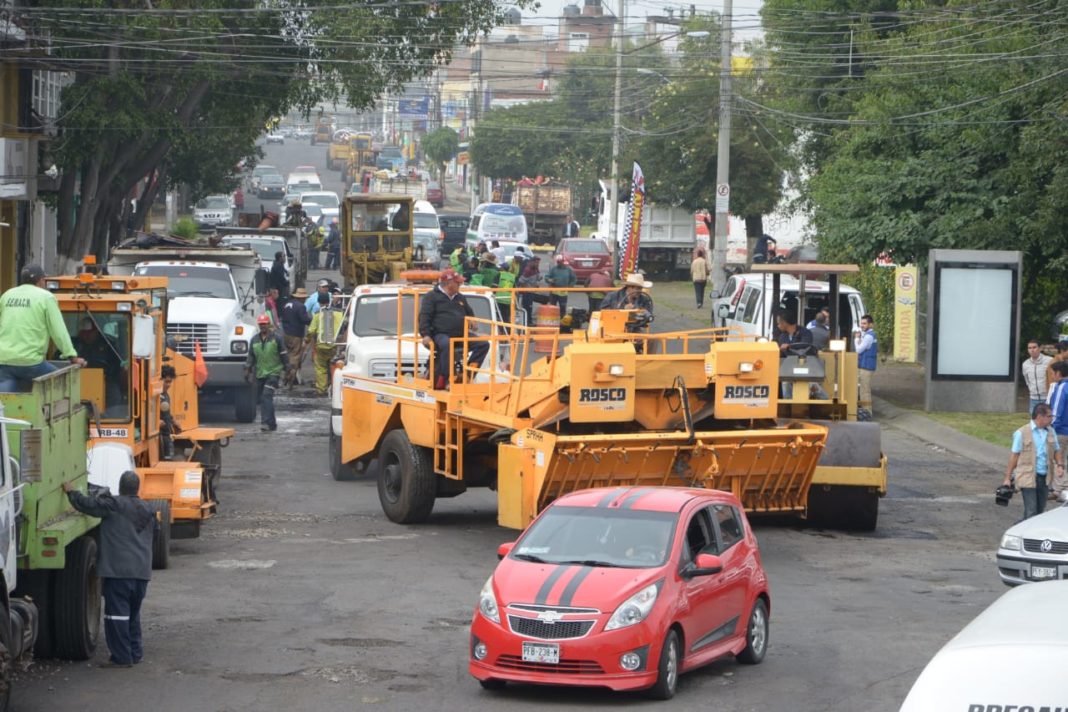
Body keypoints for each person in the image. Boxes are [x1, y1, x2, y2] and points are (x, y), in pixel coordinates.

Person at [61, 471, 156, 668]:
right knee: (132, 614)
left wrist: (71, 493)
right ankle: (135, 653)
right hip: (141, 573)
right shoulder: (149, 510)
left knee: (117, 616)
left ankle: (122, 658)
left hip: (119, 572)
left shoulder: (114, 505)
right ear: (136, 488)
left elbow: (88, 505)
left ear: (120, 487)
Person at [0, 263, 86, 391]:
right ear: (40, 281)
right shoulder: (46, 297)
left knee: (6, 400)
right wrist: (72, 356)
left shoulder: (7, 295)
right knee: (64, 384)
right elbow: (58, 332)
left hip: (4, 362)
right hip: (32, 364)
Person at [418, 269, 490, 390]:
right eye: (458, 283)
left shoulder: (460, 297)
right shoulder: (431, 297)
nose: (460, 285)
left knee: (483, 344)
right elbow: (424, 316)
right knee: (447, 344)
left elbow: (469, 312)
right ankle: (448, 379)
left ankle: (466, 375)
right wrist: (425, 335)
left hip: (460, 334)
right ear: (449, 283)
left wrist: (472, 319)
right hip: (440, 334)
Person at [1002, 403, 1063, 521]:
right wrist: (1007, 478)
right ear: (1040, 417)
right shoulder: (1021, 433)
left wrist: (1060, 465)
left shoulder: (1051, 431)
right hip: (1028, 477)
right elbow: (1014, 456)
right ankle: (1018, 536)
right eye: (1050, 416)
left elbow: (1056, 450)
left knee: (1039, 513)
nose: (1052, 419)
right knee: (1031, 511)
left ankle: (1017, 531)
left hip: (1044, 478)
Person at [245, 314, 290, 432]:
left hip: (274, 372)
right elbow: (251, 356)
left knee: (266, 395)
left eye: (264, 324)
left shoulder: (277, 338)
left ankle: (265, 422)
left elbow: (284, 354)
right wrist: (247, 369)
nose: (262, 326)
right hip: (260, 373)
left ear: (268, 324)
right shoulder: (254, 340)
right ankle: (272, 423)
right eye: (260, 324)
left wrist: (288, 370)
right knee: (264, 399)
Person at [305, 292, 343, 396]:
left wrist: (307, 340)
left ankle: (321, 390)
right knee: (335, 366)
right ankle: (335, 388)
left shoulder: (318, 315)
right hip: (334, 346)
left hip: (321, 346)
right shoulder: (339, 313)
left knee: (321, 368)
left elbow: (311, 331)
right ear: (329, 301)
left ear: (319, 302)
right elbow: (344, 327)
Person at [281, 287, 312, 385]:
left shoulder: (287, 305)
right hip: (296, 334)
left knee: (289, 354)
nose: (305, 299)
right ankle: (290, 377)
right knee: (295, 355)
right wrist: (313, 321)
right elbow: (304, 320)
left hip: (286, 333)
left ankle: (288, 374)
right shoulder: (300, 307)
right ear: (301, 298)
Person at [1046, 361, 1068, 498]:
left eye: (1053, 373)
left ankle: (1059, 490)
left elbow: (1057, 411)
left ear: (1059, 373)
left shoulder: (1062, 387)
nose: (1052, 376)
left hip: (1060, 429)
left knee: (1058, 459)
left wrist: (1049, 426)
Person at [854, 314, 877, 417]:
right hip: (866, 365)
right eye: (861, 323)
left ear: (870, 324)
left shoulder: (868, 336)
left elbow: (859, 350)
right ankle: (865, 411)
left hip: (866, 366)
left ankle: (867, 412)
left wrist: (856, 339)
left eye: (864, 323)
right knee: (864, 389)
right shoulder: (870, 335)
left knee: (865, 390)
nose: (862, 325)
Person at [1023, 339, 1053, 413]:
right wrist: (1032, 390)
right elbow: (1027, 380)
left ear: (1040, 348)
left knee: (1049, 421)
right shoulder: (1025, 364)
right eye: (1029, 348)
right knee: (1034, 422)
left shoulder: (1049, 361)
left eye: (1034, 347)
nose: (1032, 350)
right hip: (1033, 398)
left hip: (1047, 398)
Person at [159, 365, 180, 459]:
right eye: (166, 381)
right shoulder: (154, 395)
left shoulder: (166, 395)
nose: (168, 385)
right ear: (159, 380)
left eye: (170, 382)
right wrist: (156, 422)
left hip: (166, 434)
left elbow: (166, 412)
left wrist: (173, 421)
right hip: (158, 437)